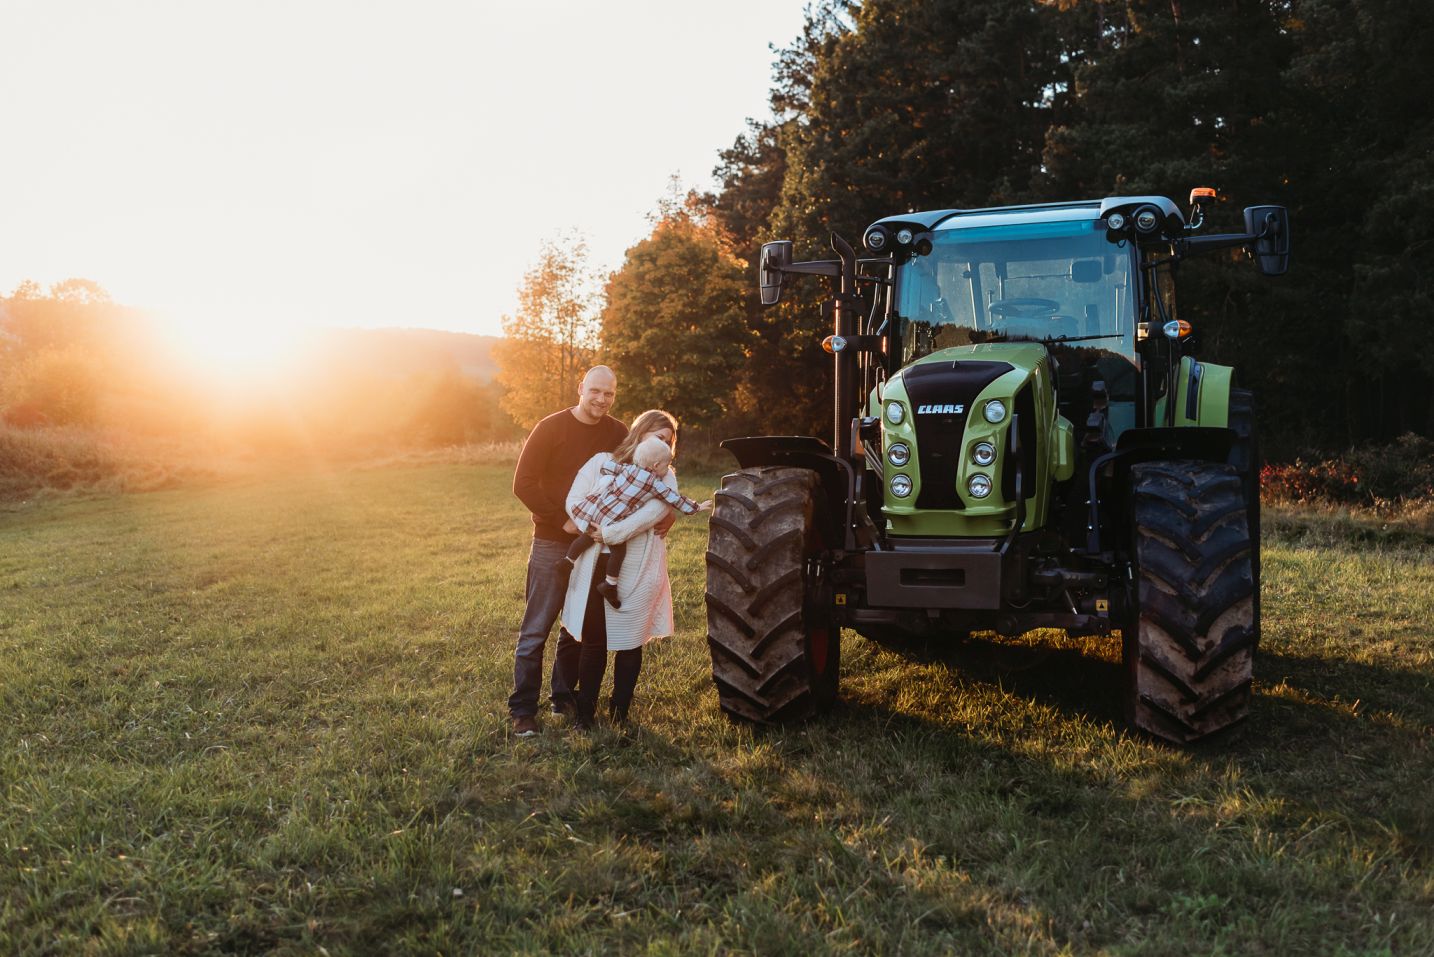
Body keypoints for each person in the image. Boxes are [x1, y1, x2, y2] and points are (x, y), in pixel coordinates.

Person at [508, 366, 627, 738]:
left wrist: (664, 511)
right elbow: (523, 483)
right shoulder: (551, 428)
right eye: (595, 391)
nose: (601, 400)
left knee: (576, 627)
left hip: (595, 545)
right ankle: (523, 709)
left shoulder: (618, 433)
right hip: (551, 541)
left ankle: (562, 698)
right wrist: (561, 520)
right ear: (581, 388)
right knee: (536, 629)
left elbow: (640, 474)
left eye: (608, 393)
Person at [560, 409, 691, 729]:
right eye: (659, 437)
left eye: (669, 442)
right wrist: (591, 527)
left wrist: (609, 532)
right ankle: (585, 713)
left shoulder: (665, 477)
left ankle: (620, 712)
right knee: (593, 641)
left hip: (637, 566)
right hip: (594, 563)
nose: (664, 446)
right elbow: (575, 499)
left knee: (630, 642)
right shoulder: (602, 461)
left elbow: (651, 514)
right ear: (640, 433)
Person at [556, 434, 711, 609]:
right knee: (618, 551)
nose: (667, 470)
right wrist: (696, 507)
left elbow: (607, 467)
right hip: (614, 518)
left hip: (599, 509)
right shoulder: (654, 483)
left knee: (586, 537)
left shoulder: (627, 468)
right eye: (666, 465)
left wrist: (611, 480)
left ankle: (567, 561)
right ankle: (610, 585)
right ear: (656, 465)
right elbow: (674, 498)